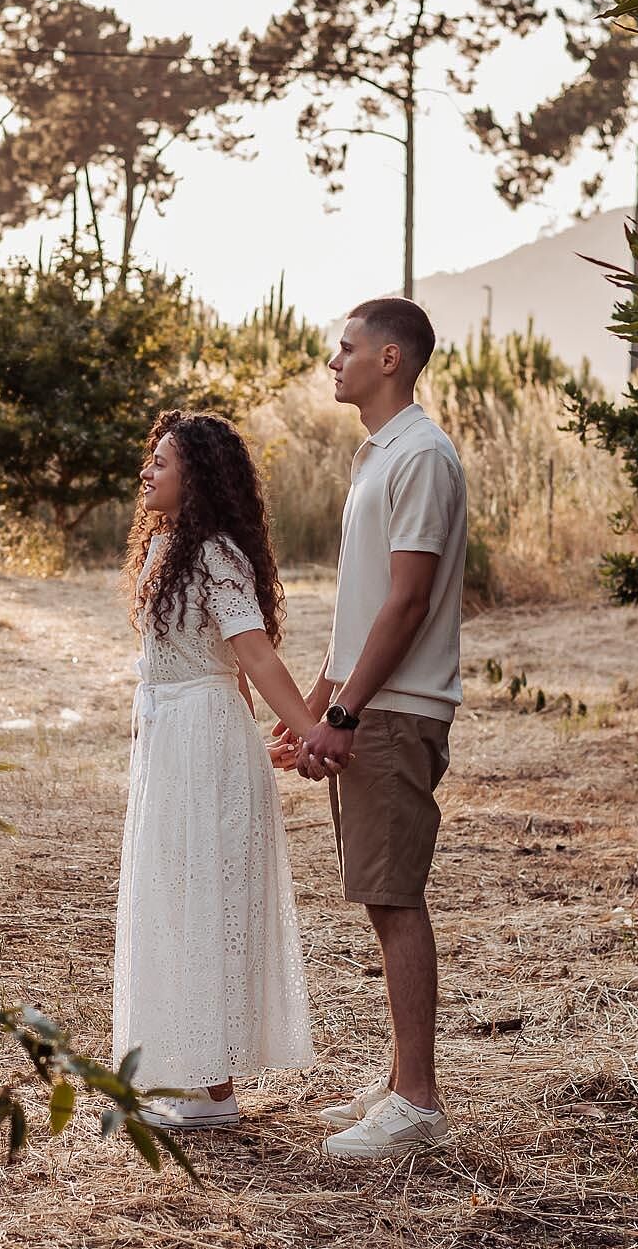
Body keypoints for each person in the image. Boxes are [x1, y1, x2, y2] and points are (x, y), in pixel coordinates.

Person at [273, 295, 467, 1159]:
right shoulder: (377, 457)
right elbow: (357, 617)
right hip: (365, 706)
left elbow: (409, 602)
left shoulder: (421, 454)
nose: (332, 360)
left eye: (345, 348)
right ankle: (397, 1080)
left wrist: (346, 714)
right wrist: (312, 710)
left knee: (394, 896)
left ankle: (417, 1103)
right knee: (379, 894)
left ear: (392, 358)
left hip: (396, 710)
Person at [112, 410, 316, 1129]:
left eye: (162, 462)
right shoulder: (165, 546)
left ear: (195, 474)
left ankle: (213, 1090)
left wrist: (306, 727)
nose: (149, 472)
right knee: (175, 895)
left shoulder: (215, 554)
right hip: (169, 740)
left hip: (201, 743)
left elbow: (253, 656)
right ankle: (198, 1075)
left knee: (206, 898)